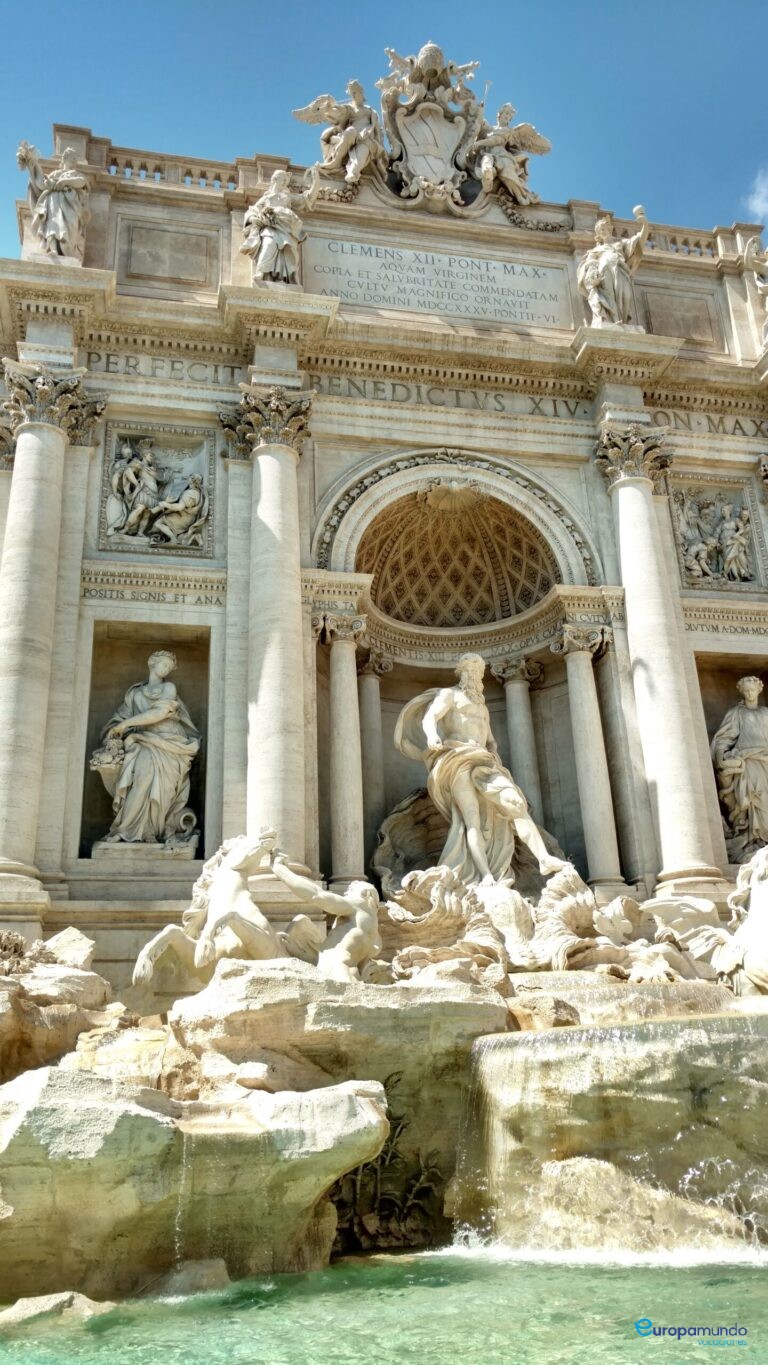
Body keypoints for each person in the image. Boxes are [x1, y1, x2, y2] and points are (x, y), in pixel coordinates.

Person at [394, 653, 565, 886]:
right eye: (471, 671)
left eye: (478, 672)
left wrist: (494, 756)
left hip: (484, 760)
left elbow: (490, 740)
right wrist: (432, 735)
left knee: (515, 804)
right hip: (456, 758)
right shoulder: (449, 695)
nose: (475, 676)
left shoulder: (481, 707)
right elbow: (430, 718)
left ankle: (544, 859)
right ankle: (485, 876)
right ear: (461, 672)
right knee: (471, 820)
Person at [91, 650, 200, 847]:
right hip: (144, 742)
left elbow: (159, 713)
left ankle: (152, 830)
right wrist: (116, 729)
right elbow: (117, 721)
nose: (166, 669)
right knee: (143, 776)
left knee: (162, 788)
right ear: (152, 663)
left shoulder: (169, 687)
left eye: (169, 667)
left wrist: (124, 726)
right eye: (163, 664)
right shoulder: (134, 694)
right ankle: (126, 829)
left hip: (171, 745)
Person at [269, 851, 381, 983]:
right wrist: (298, 952)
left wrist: (280, 869)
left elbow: (316, 895)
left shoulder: (358, 905)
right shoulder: (372, 932)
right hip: (347, 973)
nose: (345, 894)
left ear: (365, 894)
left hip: (336, 970)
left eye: (350, 891)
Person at [711, 676, 768, 851]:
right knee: (754, 800)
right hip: (748, 762)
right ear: (742, 692)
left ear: (759, 690)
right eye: (747, 691)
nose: (750, 694)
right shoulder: (737, 712)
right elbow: (725, 737)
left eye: (753, 690)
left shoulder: (766, 713)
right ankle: (755, 839)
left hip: (766, 759)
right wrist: (721, 753)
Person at [240, 167, 320, 284]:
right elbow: (252, 211)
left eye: (286, 182)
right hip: (271, 226)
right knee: (268, 244)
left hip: (287, 227)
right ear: (275, 179)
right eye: (283, 180)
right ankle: (262, 272)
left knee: (289, 251)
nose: (284, 183)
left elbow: (307, 199)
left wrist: (316, 181)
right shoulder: (266, 198)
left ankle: (286, 277)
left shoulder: (287, 197)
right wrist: (254, 218)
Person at [17, 143, 90, 260]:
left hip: (70, 206)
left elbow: (81, 181)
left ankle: (68, 252)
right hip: (53, 203)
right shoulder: (55, 174)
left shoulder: (76, 174)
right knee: (53, 223)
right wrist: (34, 165)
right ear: (66, 158)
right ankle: (53, 249)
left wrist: (65, 182)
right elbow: (42, 183)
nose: (75, 161)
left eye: (76, 158)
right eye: (73, 158)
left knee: (71, 225)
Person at [577, 209, 648, 327]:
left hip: (621, 272)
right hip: (604, 272)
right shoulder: (595, 250)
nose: (604, 231)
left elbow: (640, 240)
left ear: (610, 229)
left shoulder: (621, 244)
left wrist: (645, 224)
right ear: (598, 234)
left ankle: (622, 320)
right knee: (608, 297)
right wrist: (592, 273)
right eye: (601, 230)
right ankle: (613, 321)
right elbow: (586, 266)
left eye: (606, 229)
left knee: (626, 296)